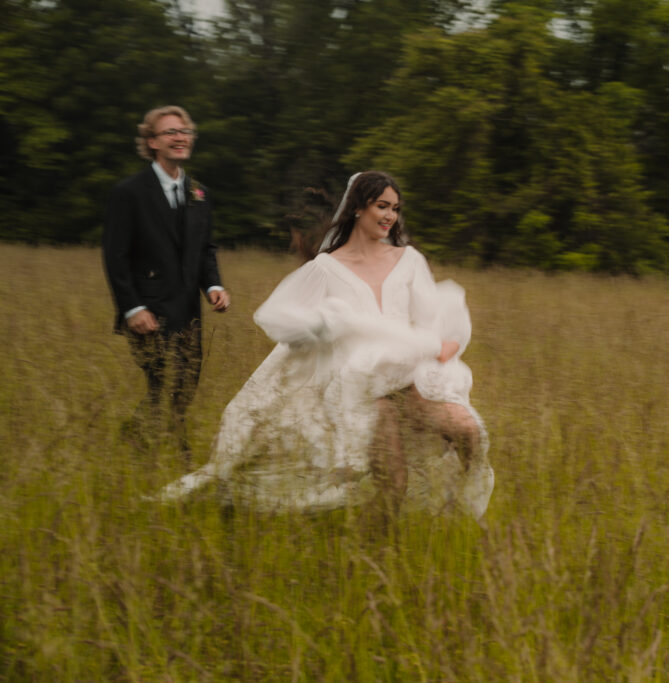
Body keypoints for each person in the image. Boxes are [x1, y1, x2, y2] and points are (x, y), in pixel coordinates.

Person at [157, 171, 493, 520]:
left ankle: (463, 506)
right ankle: (373, 553)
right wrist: (327, 325)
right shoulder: (326, 268)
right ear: (358, 209)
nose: (390, 216)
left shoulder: (408, 260)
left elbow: (429, 316)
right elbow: (277, 317)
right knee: (394, 481)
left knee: (468, 431)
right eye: (382, 206)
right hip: (362, 387)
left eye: (394, 208)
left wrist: (444, 340)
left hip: (408, 374)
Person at [103, 105, 230, 456]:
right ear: (152, 142)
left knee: (185, 387)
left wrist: (214, 286)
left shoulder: (200, 194)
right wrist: (132, 308)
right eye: (170, 132)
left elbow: (205, 249)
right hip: (147, 311)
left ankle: (135, 440)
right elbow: (115, 257)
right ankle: (181, 459)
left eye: (184, 131)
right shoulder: (128, 193)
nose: (179, 137)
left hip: (188, 310)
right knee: (164, 384)